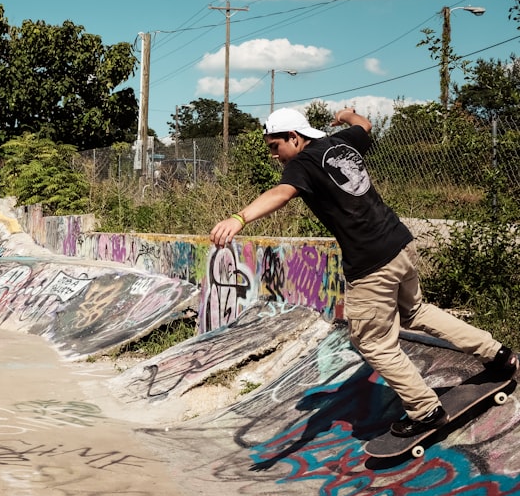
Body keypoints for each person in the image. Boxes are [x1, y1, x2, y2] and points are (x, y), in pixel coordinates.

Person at [209, 106, 517, 437]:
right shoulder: (342, 143)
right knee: (414, 311)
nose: (275, 157)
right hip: (399, 244)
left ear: (294, 138)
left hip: (371, 263)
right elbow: (365, 125)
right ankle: (497, 354)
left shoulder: (303, 162)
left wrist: (238, 218)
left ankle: (425, 410)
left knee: (371, 341)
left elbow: (281, 193)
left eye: (275, 147)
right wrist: (346, 115)